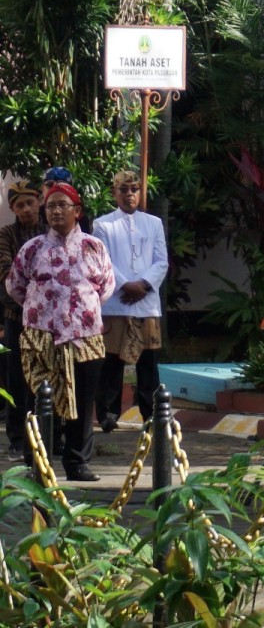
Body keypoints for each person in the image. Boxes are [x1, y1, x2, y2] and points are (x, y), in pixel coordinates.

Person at [6, 182, 114, 480]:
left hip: (86, 337)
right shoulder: (32, 249)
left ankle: (77, 463)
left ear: (76, 211)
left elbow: (105, 287)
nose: (54, 210)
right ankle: (37, 463)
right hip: (41, 336)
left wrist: (80, 309)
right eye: (50, 205)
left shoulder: (94, 247)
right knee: (39, 400)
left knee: (82, 399)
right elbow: (15, 286)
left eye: (61, 205)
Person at [91, 171, 169, 431]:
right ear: (114, 193)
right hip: (117, 300)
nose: (130, 194)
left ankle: (151, 414)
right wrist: (127, 285)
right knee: (112, 360)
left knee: (148, 362)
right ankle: (108, 414)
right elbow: (104, 262)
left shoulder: (154, 222)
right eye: (124, 189)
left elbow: (161, 261)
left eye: (134, 189)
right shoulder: (103, 225)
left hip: (146, 303)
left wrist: (144, 285)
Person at [0, 180, 42, 461]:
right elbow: (5, 271)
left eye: (30, 203)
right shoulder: (6, 234)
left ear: (39, 201)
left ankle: (47, 434)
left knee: (47, 375)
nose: (26, 209)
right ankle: (17, 437)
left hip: (48, 321)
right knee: (16, 376)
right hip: (16, 315)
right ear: (13, 209)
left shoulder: (52, 230)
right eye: (19, 205)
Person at [40, 167, 92, 234]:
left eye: (61, 185)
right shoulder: (36, 215)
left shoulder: (80, 217)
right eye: (49, 185)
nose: (54, 189)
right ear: (42, 188)